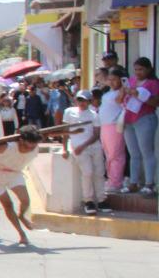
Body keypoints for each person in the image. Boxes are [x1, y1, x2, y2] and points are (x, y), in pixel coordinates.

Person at [0, 126, 43, 244]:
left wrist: (71, 131)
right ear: (21, 141)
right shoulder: (6, 147)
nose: (29, 149)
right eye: (26, 146)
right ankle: (21, 233)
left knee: (25, 200)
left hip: (14, 173)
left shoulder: (35, 145)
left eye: (33, 146)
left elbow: (55, 132)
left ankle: (21, 215)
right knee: (8, 204)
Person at [62, 88, 108, 214]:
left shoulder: (94, 115)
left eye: (84, 100)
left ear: (89, 101)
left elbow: (96, 134)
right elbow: (65, 132)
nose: (82, 103)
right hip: (78, 147)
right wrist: (64, 149)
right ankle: (88, 201)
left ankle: (101, 200)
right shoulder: (69, 112)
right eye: (79, 100)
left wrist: (83, 145)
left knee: (99, 173)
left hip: (93, 147)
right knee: (87, 172)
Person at [124, 57, 159, 195]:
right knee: (134, 153)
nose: (138, 72)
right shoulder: (132, 81)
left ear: (148, 69)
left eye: (141, 69)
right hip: (129, 119)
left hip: (145, 118)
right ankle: (134, 182)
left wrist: (139, 95)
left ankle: (149, 183)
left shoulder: (153, 83)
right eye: (136, 69)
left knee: (147, 152)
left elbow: (156, 103)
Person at [100, 65, 133, 193]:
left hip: (115, 126)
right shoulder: (107, 92)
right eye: (110, 79)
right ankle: (111, 179)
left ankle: (116, 181)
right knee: (108, 155)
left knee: (116, 154)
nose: (112, 82)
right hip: (105, 126)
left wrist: (125, 86)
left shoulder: (123, 92)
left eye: (115, 79)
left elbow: (120, 100)